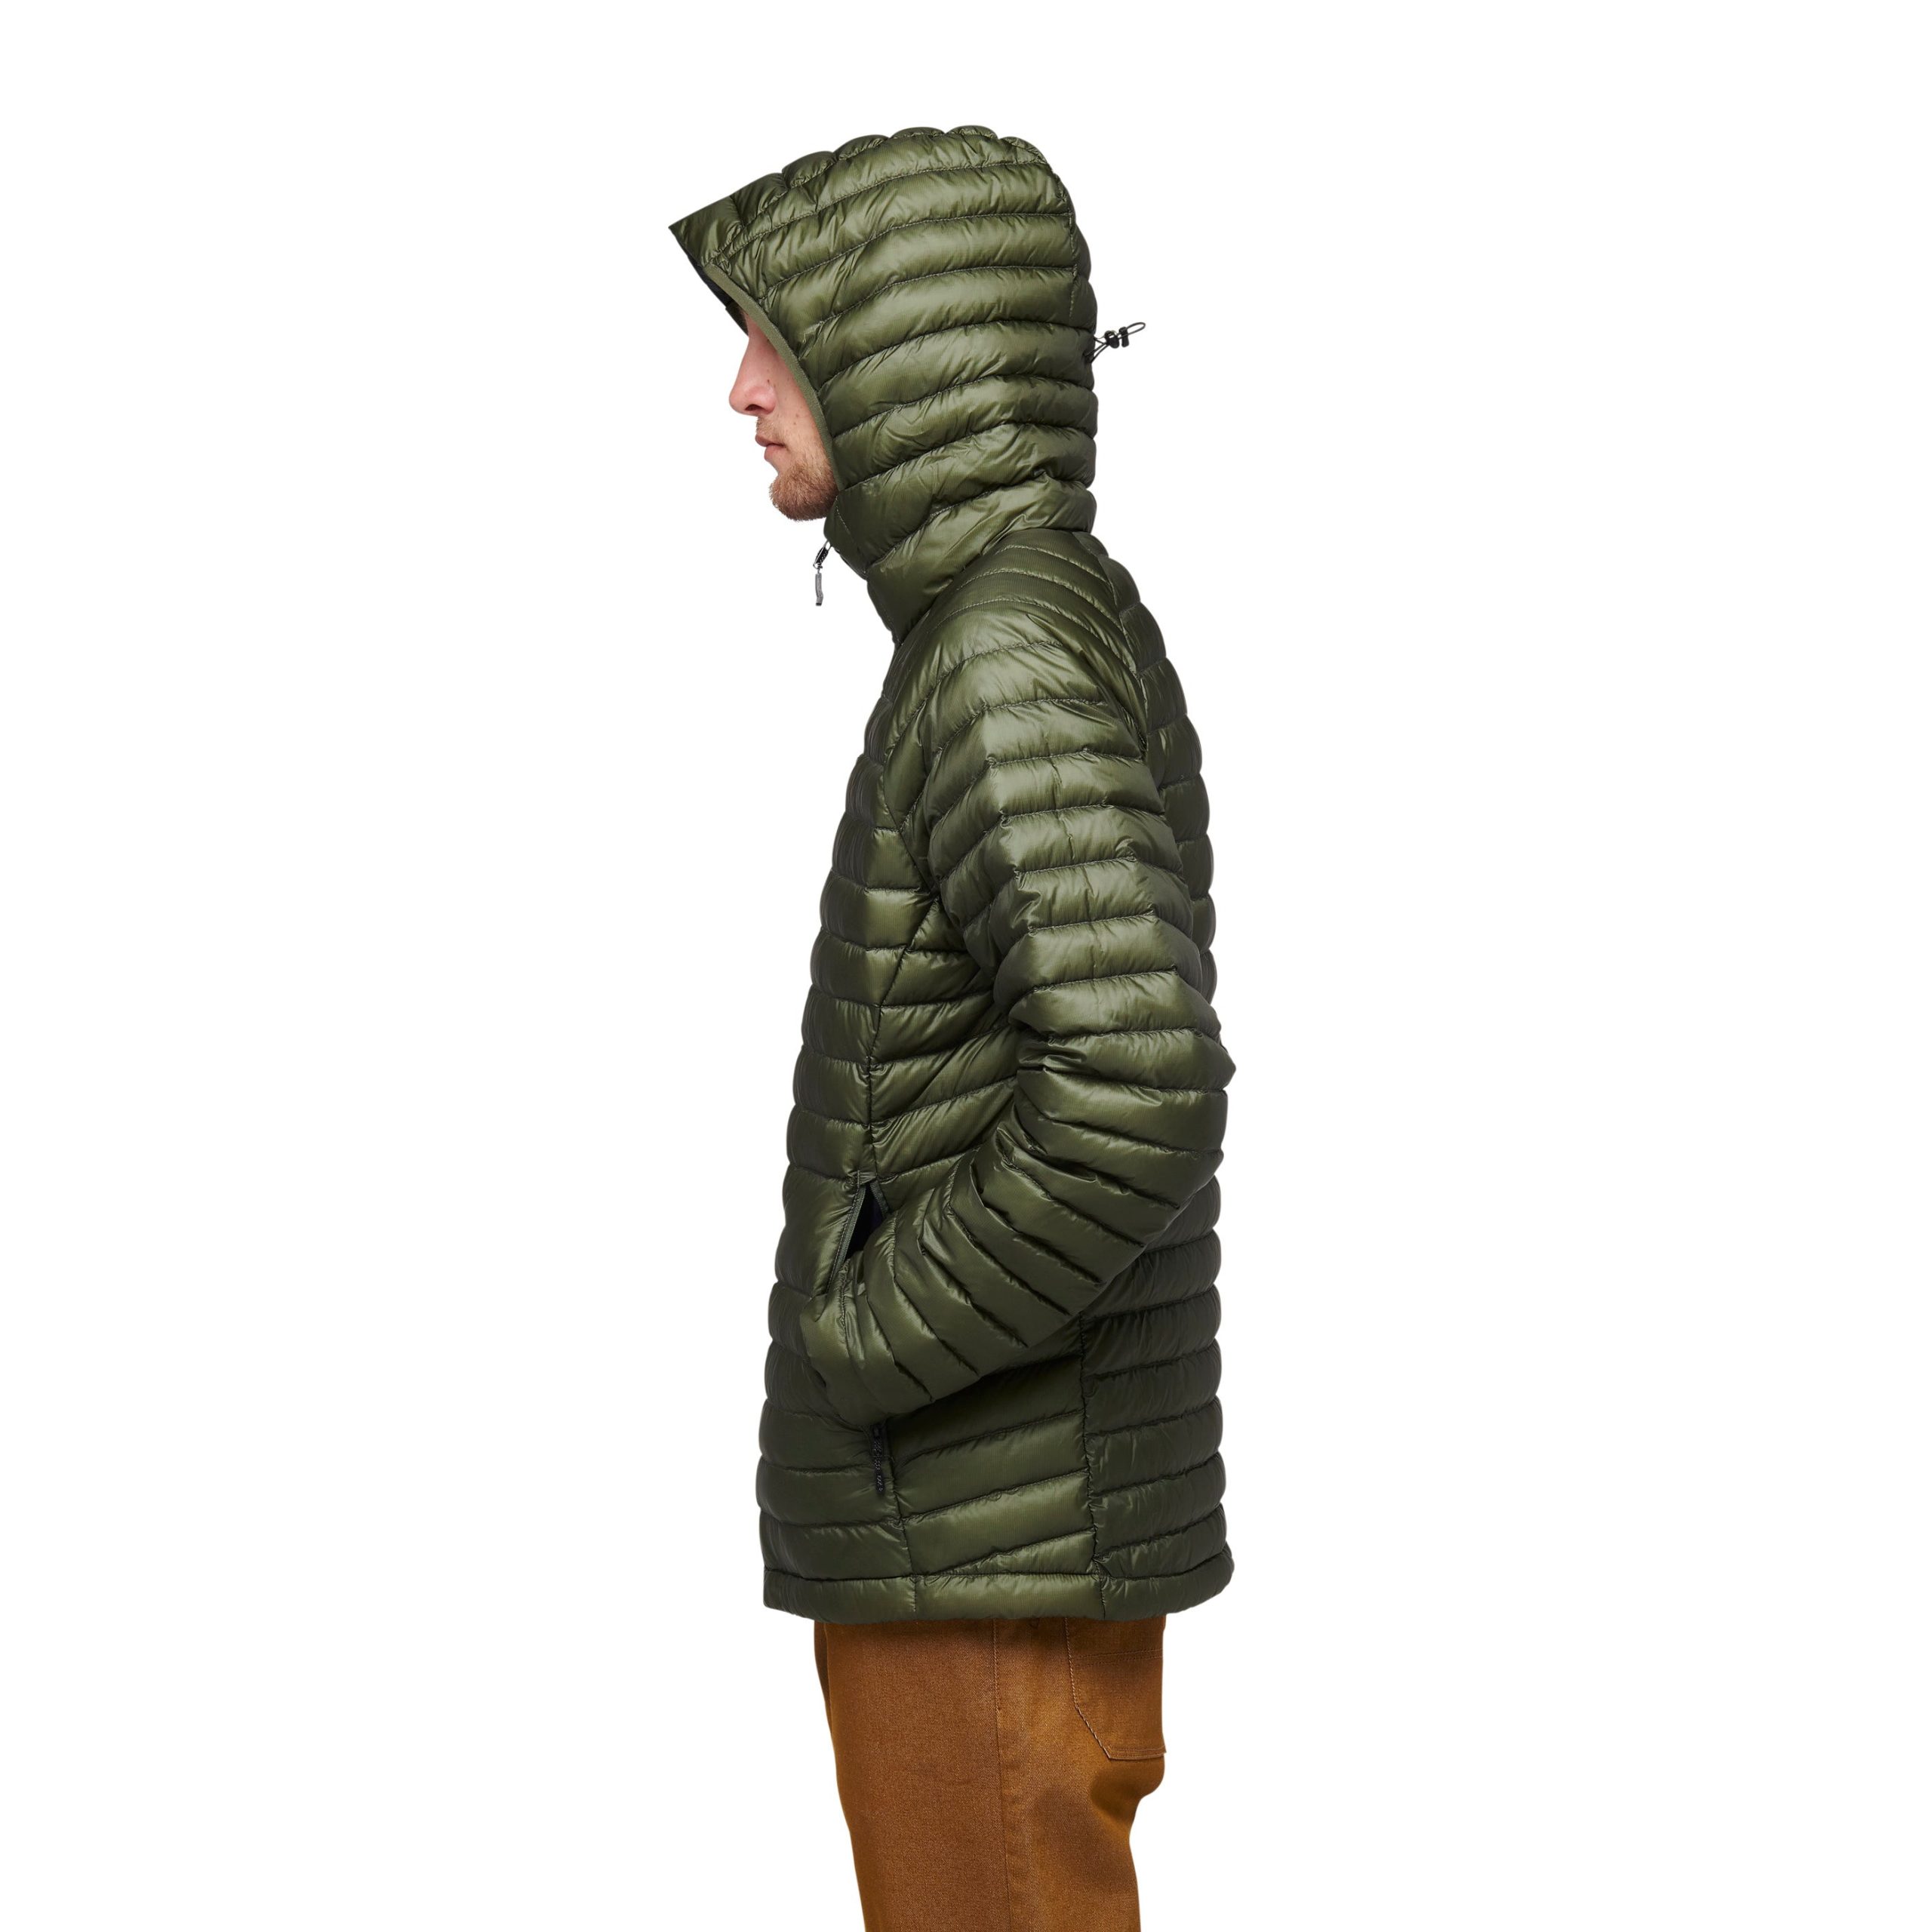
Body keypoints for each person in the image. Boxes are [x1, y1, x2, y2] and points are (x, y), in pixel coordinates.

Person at [669, 124, 1237, 1931]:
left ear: (900, 355)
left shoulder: (1003, 654)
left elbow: (1137, 1085)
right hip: (992, 1529)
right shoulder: (1017, 631)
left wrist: (869, 1331)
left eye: (778, 337)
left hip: (981, 1540)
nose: (741, 388)